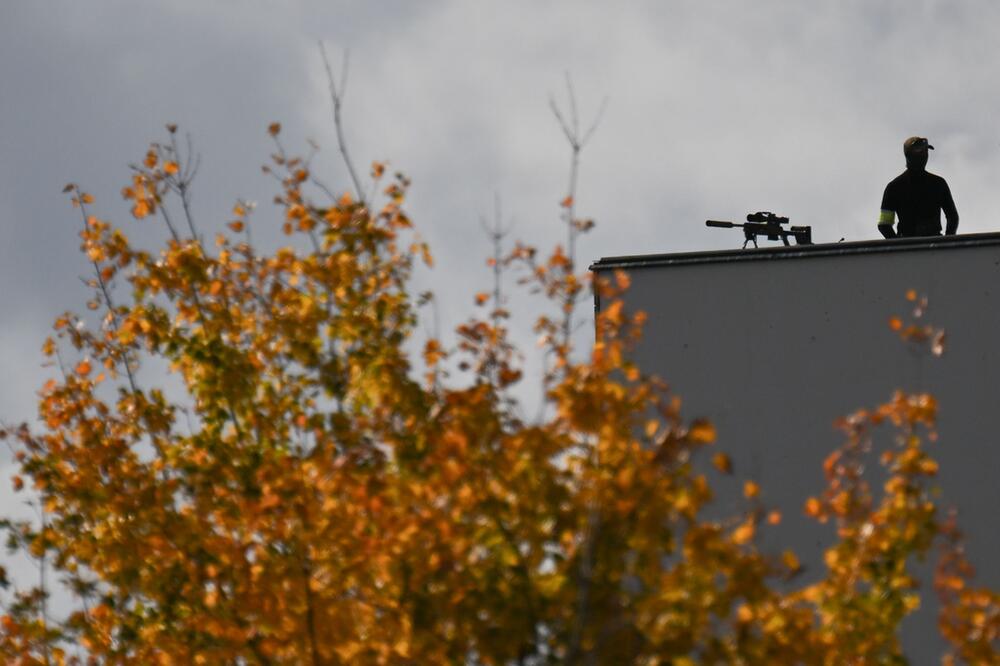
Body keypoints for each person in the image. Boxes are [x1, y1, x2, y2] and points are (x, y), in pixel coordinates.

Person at [878, 136, 959, 238]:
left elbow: (953, 217)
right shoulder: (894, 188)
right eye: (920, 152)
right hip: (927, 245)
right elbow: (884, 225)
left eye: (925, 152)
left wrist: (899, 247)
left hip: (922, 245)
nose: (924, 156)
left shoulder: (938, 184)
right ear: (909, 156)